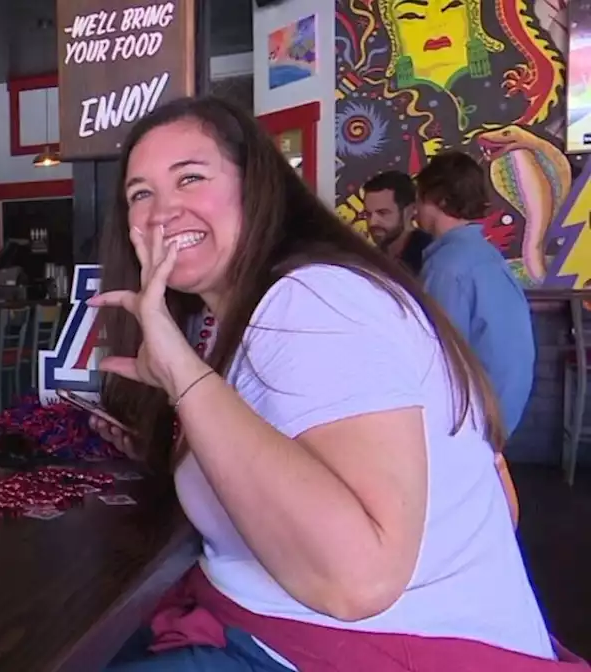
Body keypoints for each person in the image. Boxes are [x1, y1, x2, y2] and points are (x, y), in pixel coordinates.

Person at [89, 97, 574, 670]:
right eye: (140, 193)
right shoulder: (250, 312)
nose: (161, 211)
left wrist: (185, 378)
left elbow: (358, 581)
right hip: (269, 628)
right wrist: (173, 414)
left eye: (190, 178)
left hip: (367, 649)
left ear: (258, 187)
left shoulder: (316, 299)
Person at [417, 151, 536, 438]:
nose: (415, 209)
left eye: (420, 198)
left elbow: (439, 359)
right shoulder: (485, 253)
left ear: (441, 201)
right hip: (505, 409)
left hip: (477, 421)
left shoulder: (447, 266)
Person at [362, 170, 433, 274]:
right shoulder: (369, 259)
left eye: (383, 213)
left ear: (409, 210)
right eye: (368, 214)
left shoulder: (429, 256)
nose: (372, 223)